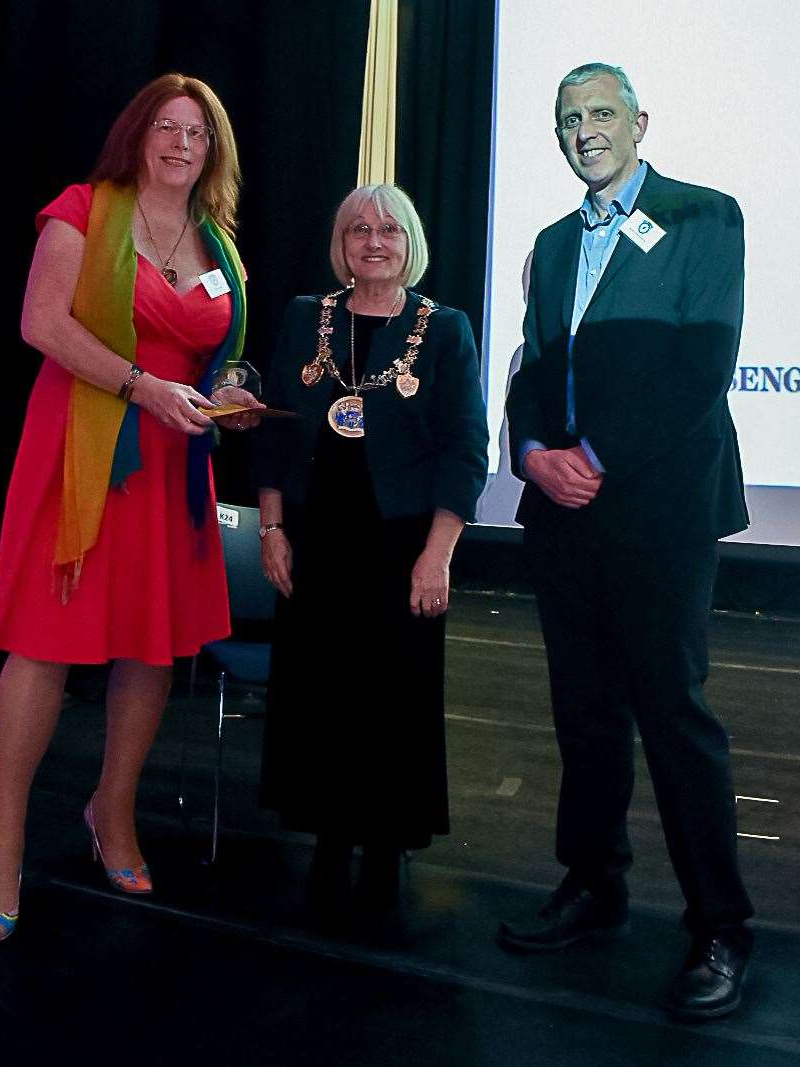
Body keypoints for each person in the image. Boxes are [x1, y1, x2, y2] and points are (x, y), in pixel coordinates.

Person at [0, 73, 263, 945]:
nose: (180, 143)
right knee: (45, 642)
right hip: (84, 453)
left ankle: (114, 810)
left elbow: (218, 355)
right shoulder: (84, 211)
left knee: (150, 642)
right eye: (165, 127)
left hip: (174, 463)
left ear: (214, 151)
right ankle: (0, 838)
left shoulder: (220, 242)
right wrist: (143, 387)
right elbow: (42, 324)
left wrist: (228, 396)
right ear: (136, 135)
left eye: (198, 133)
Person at [499, 63, 754, 1020]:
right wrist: (530, 452)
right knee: (585, 714)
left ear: (639, 121)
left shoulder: (703, 216)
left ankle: (721, 925)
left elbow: (703, 367)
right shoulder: (553, 242)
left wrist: (593, 455)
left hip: (658, 510)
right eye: (568, 118)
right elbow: (533, 367)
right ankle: (594, 885)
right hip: (564, 513)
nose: (584, 130)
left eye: (600, 113)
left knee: (672, 716)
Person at [253, 184, 488, 918]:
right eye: (359, 228)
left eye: (389, 228)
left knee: (394, 698)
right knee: (320, 690)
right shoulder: (304, 317)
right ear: (341, 243)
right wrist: (271, 527)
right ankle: (326, 839)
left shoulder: (442, 329)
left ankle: (386, 847)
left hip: (403, 543)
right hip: (317, 537)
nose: (374, 240)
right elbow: (275, 430)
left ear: (409, 240)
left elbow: (465, 450)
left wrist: (438, 553)